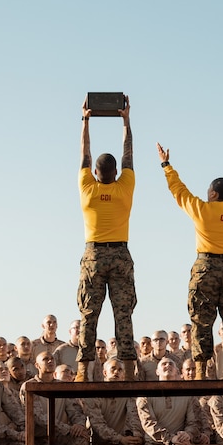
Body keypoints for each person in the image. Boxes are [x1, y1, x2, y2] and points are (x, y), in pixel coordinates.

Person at [158, 143, 223, 381]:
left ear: (212, 194)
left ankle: (200, 372)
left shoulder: (201, 209)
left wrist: (166, 165)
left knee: (201, 320)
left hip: (206, 268)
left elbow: (179, 191)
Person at [75, 96, 138, 382]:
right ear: (116, 173)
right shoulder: (125, 187)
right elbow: (129, 155)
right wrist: (126, 121)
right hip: (120, 255)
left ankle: (81, 371)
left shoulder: (87, 188)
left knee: (90, 314)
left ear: (97, 173)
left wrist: (85, 120)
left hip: (94, 256)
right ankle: (128, 370)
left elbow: (84, 155)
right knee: (123, 313)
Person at [79, 358, 144, 445]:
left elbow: (134, 418)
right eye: (113, 369)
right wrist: (120, 439)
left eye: (120, 370)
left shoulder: (129, 395)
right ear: (104, 372)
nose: (116, 372)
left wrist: (135, 435)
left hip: (124, 444)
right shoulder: (94, 395)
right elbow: (99, 426)